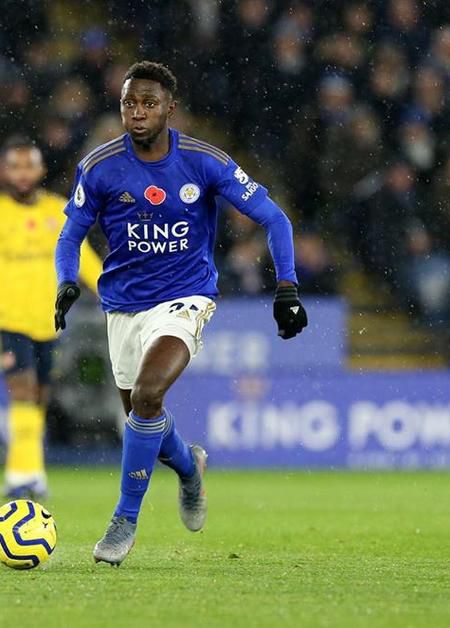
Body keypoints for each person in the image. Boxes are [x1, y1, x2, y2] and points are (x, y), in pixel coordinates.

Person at [53, 61, 307, 565]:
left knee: (148, 395)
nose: (138, 112)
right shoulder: (100, 166)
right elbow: (70, 234)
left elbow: (274, 217)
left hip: (186, 298)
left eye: (149, 103)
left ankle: (124, 521)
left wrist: (287, 287)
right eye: (129, 103)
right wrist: (65, 280)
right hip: (123, 305)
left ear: (170, 108)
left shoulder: (203, 161)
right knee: (140, 415)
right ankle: (190, 468)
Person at [0, 137, 103, 501]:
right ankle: (23, 476)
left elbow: (84, 257)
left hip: (50, 321)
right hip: (9, 320)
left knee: (39, 400)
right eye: (14, 166)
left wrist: (110, 293)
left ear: (40, 169)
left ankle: (27, 472)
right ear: (3, 171)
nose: (21, 173)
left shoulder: (58, 210)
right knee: (22, 393)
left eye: (28, 165)